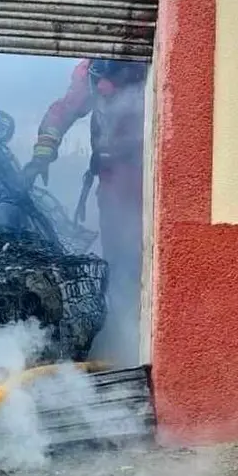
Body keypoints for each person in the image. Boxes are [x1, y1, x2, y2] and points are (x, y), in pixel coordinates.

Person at [23, 58, 148, 365]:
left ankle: (144, 338)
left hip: (150, 176)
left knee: (147, 262)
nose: (106, 88)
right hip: (113, 180)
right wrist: (43, 153)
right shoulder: (91, 72)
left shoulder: (151, 66)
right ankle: (121, 341)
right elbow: (62, 111)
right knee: (119, 263)